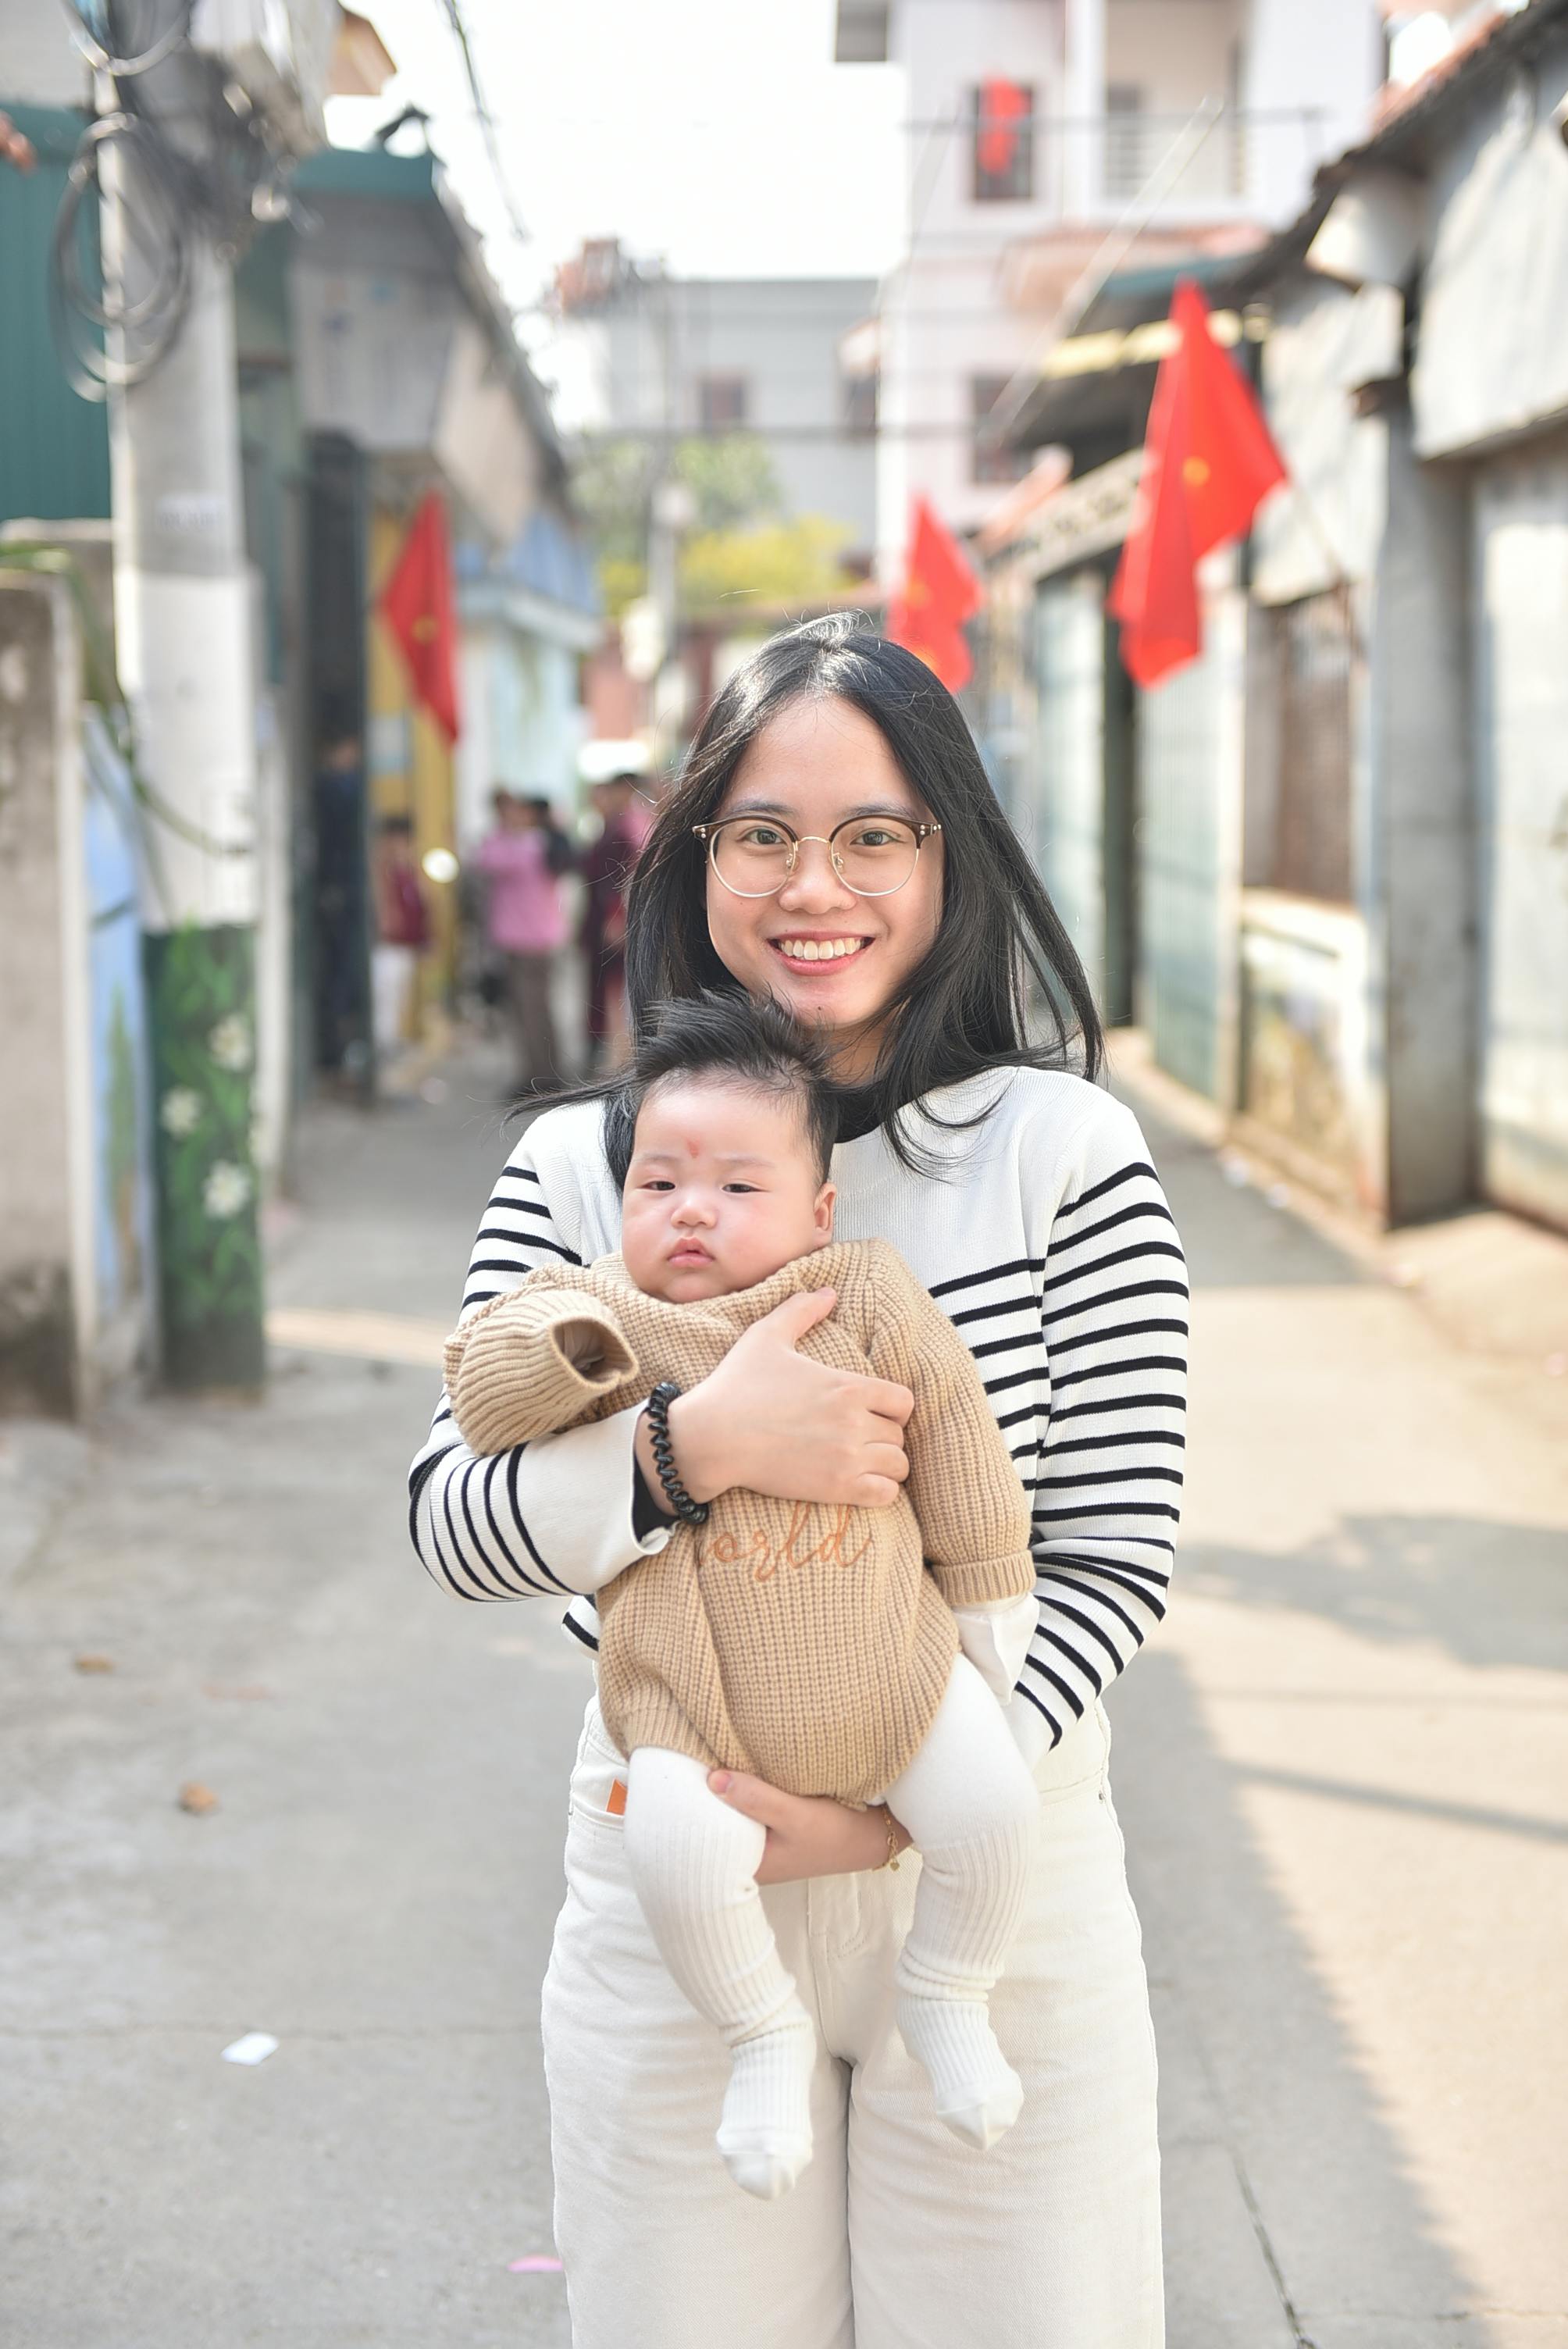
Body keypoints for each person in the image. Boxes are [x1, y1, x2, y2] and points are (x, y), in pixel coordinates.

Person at [409, 615, 1187, 2347]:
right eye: (758, 832)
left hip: (998, 1888)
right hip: (674, 1880)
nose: (809, 886)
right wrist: (692, 1453)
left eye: (871, 834)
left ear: (948, 856)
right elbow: (449, 1520)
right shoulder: (575, 1166)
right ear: (690, 859)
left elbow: (1113, 1556)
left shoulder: (1065, 1153)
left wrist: (903, 1807)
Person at [443, 993, 1039, 2201]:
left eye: (735, 1187)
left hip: (902, 1681)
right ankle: (757, 2031)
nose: (692, 1211)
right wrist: (580, 1355)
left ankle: (949, 1988)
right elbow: (481, 1402)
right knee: (674, 1853)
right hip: (691, 1719)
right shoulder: (609, 1310)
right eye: (658, 1185)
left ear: (819, 1210)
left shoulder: (865, 1295)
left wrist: (986, 1597)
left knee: (993, 1817)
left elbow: (964, 1441)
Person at [476, 789, 568, 1093]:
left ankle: (538, 1077)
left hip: (526, 944)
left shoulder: (526, 846)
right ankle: (546, 1071)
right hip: (535, 941)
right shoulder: (541, 844)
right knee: (538, 1011)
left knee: (529, 1013)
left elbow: (486, 858)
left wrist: (504, 827)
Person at [579, 771, 649, 1071]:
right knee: (607, 987)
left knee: (618, 989)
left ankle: (621, 1056)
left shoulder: (629, 828)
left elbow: (626, 879)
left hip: (618, 920)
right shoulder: (617, 826)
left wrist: (617, 917)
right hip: (606, 918)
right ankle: (615, 1052)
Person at [370, 812, 429, 1057]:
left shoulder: (411, 871)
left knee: (398, 995)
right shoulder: (381, 872)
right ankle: (381, 1042)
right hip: (387, 945)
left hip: (406, 944)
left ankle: (390, 1039)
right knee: (385, 993)